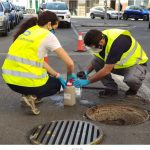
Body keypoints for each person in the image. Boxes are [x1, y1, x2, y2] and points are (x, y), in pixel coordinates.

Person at [2, 11, 76, 115]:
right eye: (54, 29)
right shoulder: (47, 35)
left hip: (10, 81)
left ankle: (27, 94)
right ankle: (32, 96)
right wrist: (69, 79)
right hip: (25, 82)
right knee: (56, 85)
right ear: (49, 24)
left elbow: (39, 62)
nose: (54, 31)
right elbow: (70, 63)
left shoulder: (29, 31)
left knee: (50, 77)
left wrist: (57, 74)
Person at [74, 29, 148, 97]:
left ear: (101, 42)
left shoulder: (118, 43)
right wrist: (86, 72)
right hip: (119, 65)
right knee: (96, 61)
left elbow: (106, 70)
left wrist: (88, 81)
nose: (93, 49)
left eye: (93, 47)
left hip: (135, 65)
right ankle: (111, 88)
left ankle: (133, 89)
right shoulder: (99, 37)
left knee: (131, 80)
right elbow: (96, 59)